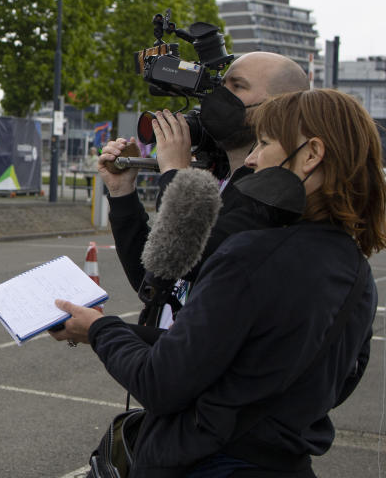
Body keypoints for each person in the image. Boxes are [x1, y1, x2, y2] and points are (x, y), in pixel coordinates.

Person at [52, 88, 386, 478]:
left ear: (311, 154)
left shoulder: (250, 255)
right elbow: (296, 370)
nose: (251, 159)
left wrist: (102, 329)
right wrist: (110, 333)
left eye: (265, 142)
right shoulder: (356, 270)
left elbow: (162, 382)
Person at [98, 52, 309, 324]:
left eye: (238, 87)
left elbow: (190, 259)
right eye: (221, 87)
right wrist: (122, 192)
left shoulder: (268, 197)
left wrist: (175, 172)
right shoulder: (215, 177)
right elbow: (156, 274)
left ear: (280, 107)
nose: (218, 98)